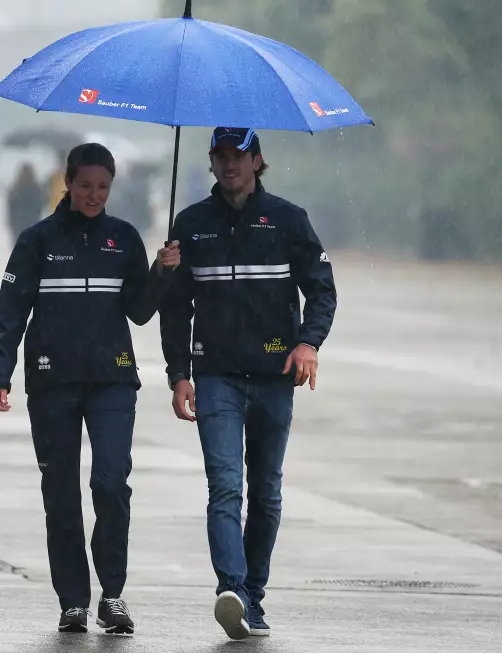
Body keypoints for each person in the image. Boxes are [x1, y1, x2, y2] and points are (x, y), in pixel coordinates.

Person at [0, 143, 181, 635]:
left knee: (111, 482)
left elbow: (139, 310)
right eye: (86, 186)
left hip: (113, 379)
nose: (94, 195)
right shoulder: (36, 241)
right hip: (53, 381)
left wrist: (162, 272)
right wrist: (1, 371)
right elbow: (11, 308)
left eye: (103, 188)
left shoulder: (124, 238)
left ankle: (112, 595)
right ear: (68, 184)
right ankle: (72, 600)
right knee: (61, 493)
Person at [159, 127, 337, 640]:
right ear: (211, 163)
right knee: (224, 487)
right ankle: (231, 590)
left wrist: (309, 344)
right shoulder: (190, 225)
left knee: (266, 493)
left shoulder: (287, 219)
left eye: (239, 155)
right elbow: (175, 309)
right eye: (220, 156)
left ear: (257, 161)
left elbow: (322, 290)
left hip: (275, 375)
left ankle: (252, 599)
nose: (229, 164)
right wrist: (178, 374)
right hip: (214, 376)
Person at [6, 162, 45, 246]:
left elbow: (39, 206)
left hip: (27, 223)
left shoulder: (17, 189)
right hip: (22, 223)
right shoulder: (17, 189)